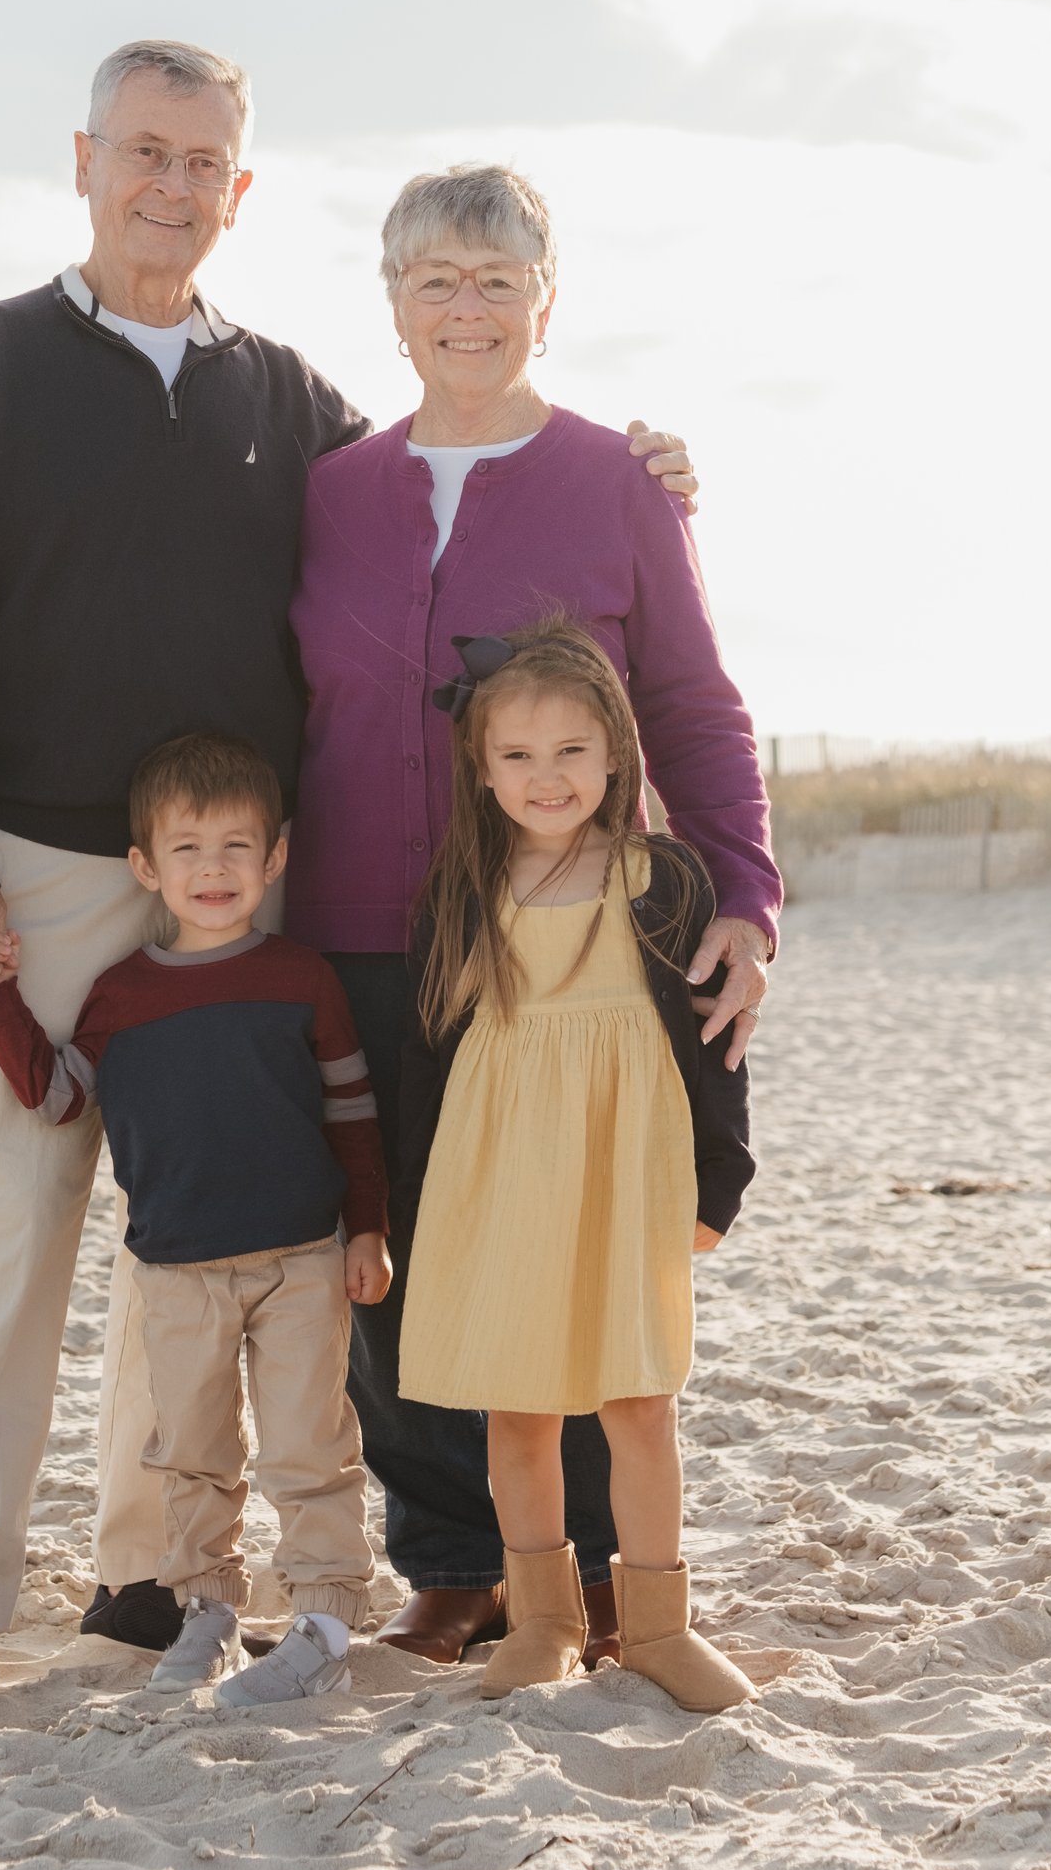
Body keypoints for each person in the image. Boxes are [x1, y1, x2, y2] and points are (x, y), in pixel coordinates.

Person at [0, 50, 700, 1722]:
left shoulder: (286, 400)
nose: (172, 188)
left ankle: (135, 1571)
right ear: (87, 162)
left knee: (203, 1237)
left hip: (250, 890)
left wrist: (641, 465)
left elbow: (452, 454)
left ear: (240, 191)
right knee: (7, 1227)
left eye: (206, 164)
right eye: (145, 155)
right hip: (46, 871)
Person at [280, 164, 779, 1667]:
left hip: (572, 944)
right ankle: (455, 1559)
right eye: (436, 278)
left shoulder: (616, 482)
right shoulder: (327, 492)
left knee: (571, 1234)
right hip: (369, 925)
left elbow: (692, 700)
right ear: (393, 305)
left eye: (496, 280)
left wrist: (747, 895)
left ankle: (608, 1571)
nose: (467, 306)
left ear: (545, 302)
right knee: (404, 1249)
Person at [0, 729, 388, 1719]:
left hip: (300, 1261)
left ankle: (322, 1625)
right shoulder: (122, 996)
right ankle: (208, 1612)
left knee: (305, 1445)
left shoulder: (300, 979)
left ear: (273, 858)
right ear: (145, 867)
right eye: (187, 849)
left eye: (237, 847)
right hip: (178, 1270)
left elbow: (352, 1112)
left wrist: (366, 1228)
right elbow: (57, 1097)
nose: (214, 870)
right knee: (191, 1450)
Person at [396, 619, 773, 1707]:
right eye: (515, 755)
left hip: (627, 1166)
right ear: (479, 767)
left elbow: (716, 1042)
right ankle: (545, 1623)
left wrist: (718, 1181)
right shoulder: (464, 889)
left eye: (570, 751)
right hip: (499, 1169)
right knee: (516, 1407)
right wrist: (414, 1205)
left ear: (615, 753)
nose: (545, 777)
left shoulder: (662, 879)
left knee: (637, 1398)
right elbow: (429, 1060)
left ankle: (657, 1627)